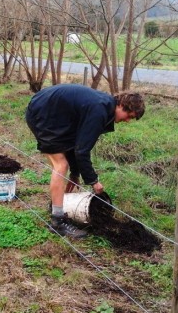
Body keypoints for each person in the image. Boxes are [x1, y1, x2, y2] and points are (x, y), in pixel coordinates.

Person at [25, 84, 145, 238]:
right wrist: (94, 181)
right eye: (129, 116)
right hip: (43, 112)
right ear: (121, 105)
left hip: (49, 110)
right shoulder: (99, 111)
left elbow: (75, 143)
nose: (127, 121)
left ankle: (58, 207)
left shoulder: (104, 106)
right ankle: (58, 222)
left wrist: (75, 174)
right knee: (61, 165)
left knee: (64, 164)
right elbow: (82, 151)